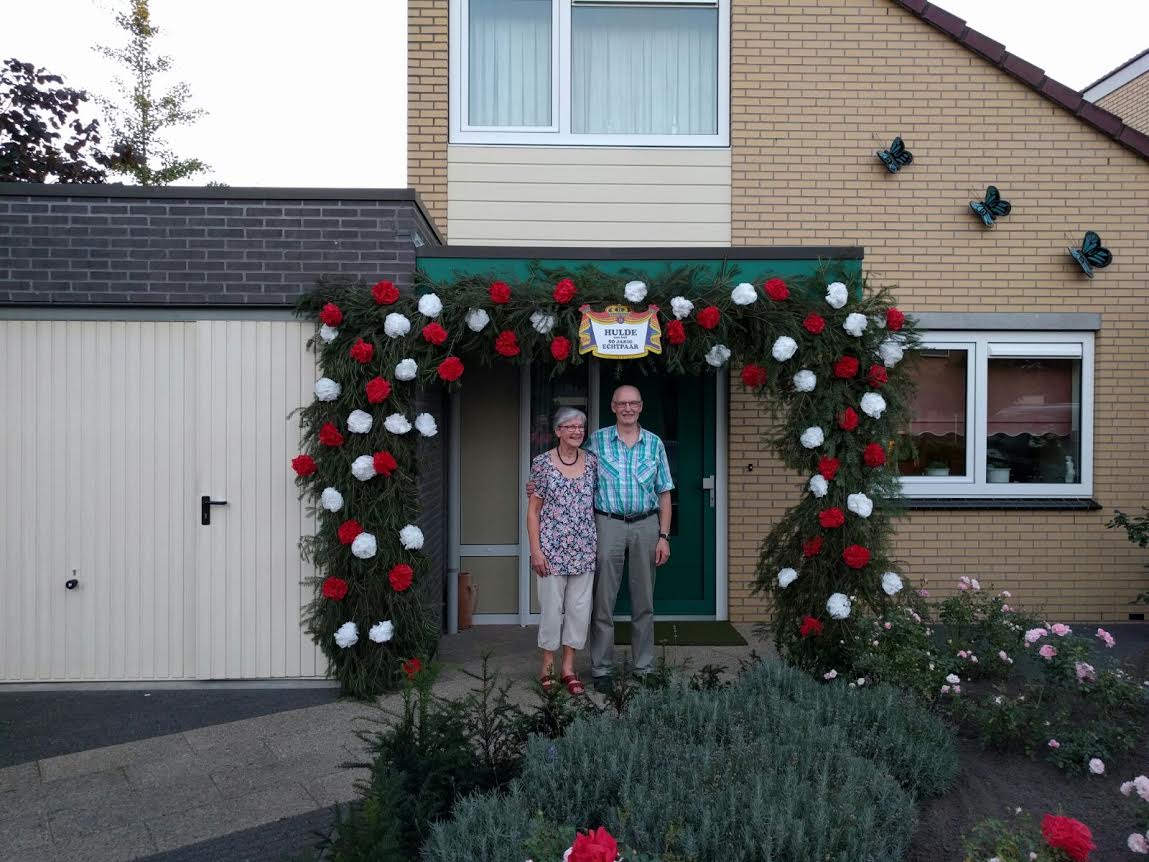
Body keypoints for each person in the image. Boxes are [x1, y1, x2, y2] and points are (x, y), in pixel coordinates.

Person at [584, 385, 674, 688]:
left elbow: (664, 493)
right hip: (607, 524)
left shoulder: (654, 444)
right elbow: (576, 476)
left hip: (645, 526)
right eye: (622, 403)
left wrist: (664, 536)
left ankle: (644, 667)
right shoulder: (596, 441)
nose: (627, 408)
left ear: (641, 406)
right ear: (612, 406)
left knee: (644, 601)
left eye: (633, 403)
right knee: (603, 601)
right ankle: (601, 669)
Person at [526, 406, 598, 695]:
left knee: (579, 611)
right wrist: (536, 552)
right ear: (557, 431)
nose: (576, 431)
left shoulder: (592, 462)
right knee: (552, 611)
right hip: (551, 551)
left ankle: (569, 667)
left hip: (584, 549)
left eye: (580, 427)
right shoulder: (542, 464)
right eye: (569, 426)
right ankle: (547, 666)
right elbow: (533, 511)